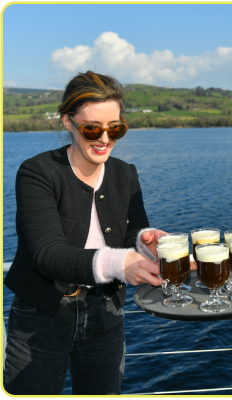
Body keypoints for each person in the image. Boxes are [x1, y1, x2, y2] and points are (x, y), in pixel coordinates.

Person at [4, 71, 166, 395]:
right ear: (68, 122)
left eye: (115, 128)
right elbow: (48, 255)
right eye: (92, 128)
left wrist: (147, 243)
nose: (105, 138)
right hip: (42, 315)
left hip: (104, 312)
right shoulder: (37, 173)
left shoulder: (125, 173)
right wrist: (122, 264)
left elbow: (132, 233)